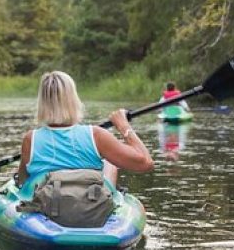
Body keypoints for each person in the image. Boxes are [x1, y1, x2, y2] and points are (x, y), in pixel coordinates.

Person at [16, 71, 154, 191]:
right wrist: (123, 126)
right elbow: (145, 163)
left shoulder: (30, 139)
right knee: (109, 161)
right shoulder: (96, 135)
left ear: (42, 103)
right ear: (73, 100)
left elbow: (22, 181)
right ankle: (112, 195)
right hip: (90, 203)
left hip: (48, 203)